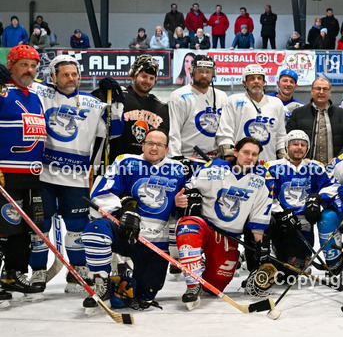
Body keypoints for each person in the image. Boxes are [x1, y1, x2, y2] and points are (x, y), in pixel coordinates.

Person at [31, 55, 124, 293]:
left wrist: (116, 102)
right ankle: (38, 271)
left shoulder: (92, 103)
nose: (71, 78)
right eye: (65, 74)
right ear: (53, 76)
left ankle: (78, 270)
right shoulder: (41, 95)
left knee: (77, 224)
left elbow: (116, 131)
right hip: (44, 174)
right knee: (40, 224)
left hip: (77, 176)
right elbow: (23, 81)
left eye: (74, 74)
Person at [82, 129, 188, 312]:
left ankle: (122, 280)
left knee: (144, 296)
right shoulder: (126, 162)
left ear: (167, 149)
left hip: (156, 243)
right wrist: (123, 210)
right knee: (96, 229)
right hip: (127, 233)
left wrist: (181, 204)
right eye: (150, 143)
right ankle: (101, 283)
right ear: (143, 145)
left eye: (159, 145)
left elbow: (188, 202)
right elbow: (99, 195)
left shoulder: (178, 170)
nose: (154, 148)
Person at [172, 137, 271, 309]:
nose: (250, 157)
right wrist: (182, 199)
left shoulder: (260, 180)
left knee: (215, 285)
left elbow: (257, 217)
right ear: (235, 152)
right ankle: (192, 284)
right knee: (188, 225)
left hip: (229, 237)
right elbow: (187, 189)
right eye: (246, 152)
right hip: (205, 228)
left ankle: (199, 266)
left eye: (254, 154)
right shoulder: (214, 169)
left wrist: (259, 244)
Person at [255, 130, 334, 295]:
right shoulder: (272, 167)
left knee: (291, 273)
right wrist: (280, 212)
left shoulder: (315, 167)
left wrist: (317, 197)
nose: (299, 148)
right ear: (286, 146)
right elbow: (264, 193)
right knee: (277, 268)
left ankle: (297, 258)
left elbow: (332, 186)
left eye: (303, 144)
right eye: (295, 144)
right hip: (279, 220)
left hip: (302, 223)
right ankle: (271, 250)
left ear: (307, 148)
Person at [0, 45, 47, 300]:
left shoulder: (34, 96)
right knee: (2, 228)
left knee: (23, 230)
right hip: (5, 174)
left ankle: (13, 273)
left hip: (31, 176)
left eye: (33, 65)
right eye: (23, 64)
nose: (29, 70)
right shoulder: (3, 92)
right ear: (10, 66)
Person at [94, 55, 169, 160]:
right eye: (144, 76)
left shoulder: (161, 107)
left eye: (151, 78)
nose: (147, 81)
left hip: (146, 166)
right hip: (116, 163)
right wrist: (101, 92)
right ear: (133, 76)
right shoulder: (117, 95)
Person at [217, 64, 287, 163]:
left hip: (268, 161)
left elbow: (280, 135)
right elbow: (225, 131)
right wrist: (229, 155)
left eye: (259, 78)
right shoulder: (233, 100)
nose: (256, 81)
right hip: (241, 161)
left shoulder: (276, 103)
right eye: (252, 78)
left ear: (264, 82)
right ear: (244, 82)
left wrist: (283, 157)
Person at [166, 55, 227, 159]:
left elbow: (225, 129)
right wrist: (175, 157)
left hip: (215, 159)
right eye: (200, 71)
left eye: (208, 72)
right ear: (192, 72)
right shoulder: (179, 96)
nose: (204, 75)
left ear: (213, 74)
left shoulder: (222, 96)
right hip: (188, 158)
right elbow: (173, 130)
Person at [286, 76, 343, 165]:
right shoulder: (298, 113)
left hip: (335, 166)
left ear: (330, 92)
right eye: (318, 88)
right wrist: (300, 158)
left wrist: (339, 158)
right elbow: (289, 138)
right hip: (305, 166)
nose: (321, 92)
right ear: (311, 91)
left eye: (325, 89)